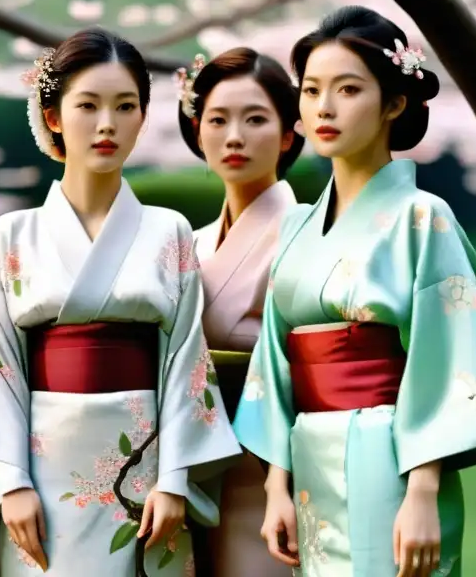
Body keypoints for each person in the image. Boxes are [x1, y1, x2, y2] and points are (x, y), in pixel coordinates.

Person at [232, 6, 476, 577]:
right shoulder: (296, 226)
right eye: (311, 90)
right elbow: (274, 357)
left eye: (347, 89)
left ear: (394, 103)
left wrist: (422, 493)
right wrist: (275, 485)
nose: (324, 107)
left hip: (391, 463)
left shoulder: (423, 218)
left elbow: (446, 357)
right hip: (309, 461)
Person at [0, 28, 242, 576]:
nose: (107, 123)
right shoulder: (11, 235)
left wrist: (175, 478)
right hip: (41, 474)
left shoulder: (169, 232)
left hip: (146, 468)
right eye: (87, 105)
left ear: (142, 117)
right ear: (55, 116)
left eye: (125, 106)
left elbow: (187, 362)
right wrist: (11, 482)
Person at [175, 48, 302, 577]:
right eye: (219, 120)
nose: (234, 137)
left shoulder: (305, 231)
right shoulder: (191, 243)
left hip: (269, 468)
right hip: (188, 472)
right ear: (198, 129)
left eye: (255, 119)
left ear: (290, 134)